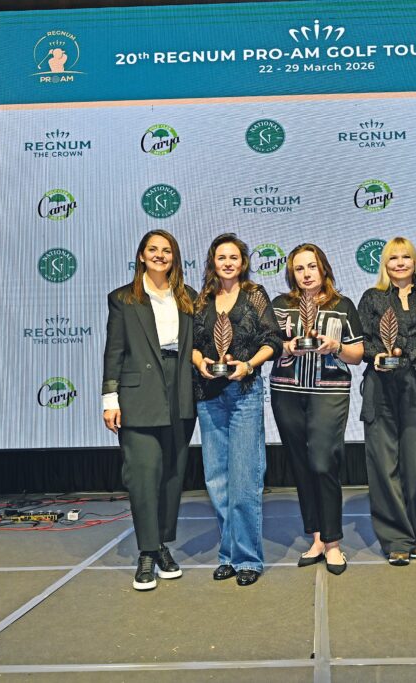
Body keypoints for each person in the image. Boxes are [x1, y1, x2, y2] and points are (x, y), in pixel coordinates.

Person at [101, 229, 198, 591]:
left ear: (174, 257)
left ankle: (161, 545)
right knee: (143, 474)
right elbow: (114, 351)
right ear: (141, 255)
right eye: (153, 249)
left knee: (172, 474)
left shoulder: (188, 297)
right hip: (138, 394)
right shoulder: (123, 299)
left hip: (180, 390)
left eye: (166, 250)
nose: (160, 255)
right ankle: (146, 551)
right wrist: (110, 399)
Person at [191, 233, 282, 586]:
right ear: (213, 263)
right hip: (208, 394)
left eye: (234, 257)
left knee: (245, 478)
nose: (228, 263)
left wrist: (249, 365)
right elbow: (192, 344)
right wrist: (199, 362)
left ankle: (248, 559)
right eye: (221, 257)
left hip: (244, 392)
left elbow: (272, 340)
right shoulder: (203, 299)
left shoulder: (255, 295)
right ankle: (228, 554)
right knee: (217, 480)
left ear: (243, 262)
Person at [357, 237, 416, 566]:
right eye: (393, 258)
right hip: (379, 385)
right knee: (384, 467)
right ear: (384, 264)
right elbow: (362, 342)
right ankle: (397, 540)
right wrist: (377, 355)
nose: (400, 263)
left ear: (414, 262)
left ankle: (410, 532)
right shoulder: (372, 298)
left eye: (406, 257)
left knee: (415, 466)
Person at [271, 244, 364, 576]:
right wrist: (286, 346)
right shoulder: (280, 306)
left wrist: (335, 347)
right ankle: (316, 539)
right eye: (299, 268)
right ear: (291, 274)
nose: (307, 273)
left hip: (329, 391)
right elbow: (267, 346)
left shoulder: (343, 305)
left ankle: (333, 541)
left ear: (323, 268)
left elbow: (358, 354)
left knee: (323, 463)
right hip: (286, 392)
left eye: (312, 266)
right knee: (301, 466)